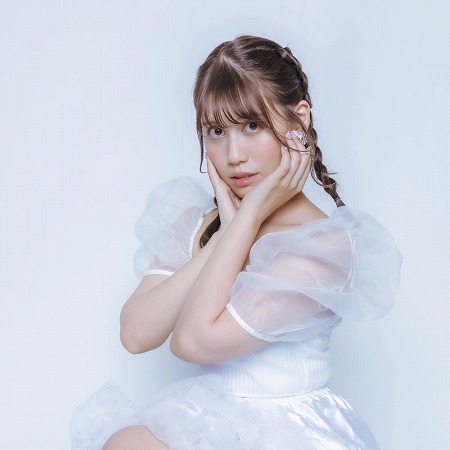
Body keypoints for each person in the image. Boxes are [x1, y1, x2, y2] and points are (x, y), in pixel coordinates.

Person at [70, 35, 402, 450]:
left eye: (252, 126)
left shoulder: (321, 246)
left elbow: (192, 342)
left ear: (299, 120)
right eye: (216, 131)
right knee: (128, 443)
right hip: (210, 422)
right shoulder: (201, 223)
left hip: (290, 433)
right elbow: (136, 335)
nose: (233, 155)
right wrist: (232, 230)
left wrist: (245, 218)